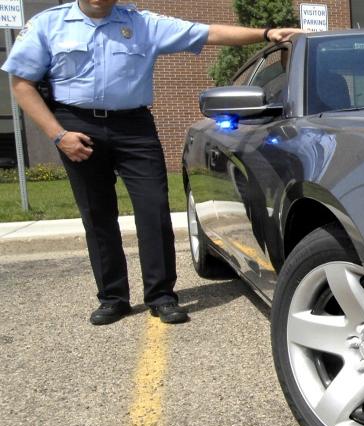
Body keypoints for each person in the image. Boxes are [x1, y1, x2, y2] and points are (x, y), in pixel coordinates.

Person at [1, 0, 302, 325]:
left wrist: (267, 33)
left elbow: (207, 32)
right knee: (97, 214)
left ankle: (161, 296)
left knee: (154, 210)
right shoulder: (48, 25)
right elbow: (22, 84)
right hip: (76, 126)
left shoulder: (142, 24)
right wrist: (59, 135)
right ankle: (112, 298)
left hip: (134, 127)